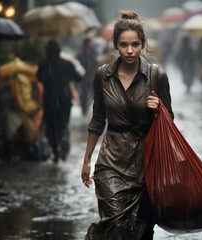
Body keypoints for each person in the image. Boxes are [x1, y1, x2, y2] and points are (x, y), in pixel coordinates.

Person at [81, 11, 174, 239]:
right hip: (111, 161)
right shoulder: (103, 76)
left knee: (141, 230)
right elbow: (97, 120)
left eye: (135, 44)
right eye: (123, 45)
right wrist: (87, 160)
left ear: (143, 44)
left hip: (146, 164)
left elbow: (170, 121)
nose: (130, 50)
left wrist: (159, 108)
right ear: (115, 45)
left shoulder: (156, 76)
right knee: (115, 225)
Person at [36, 40, 81, 162]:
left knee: (51, 128)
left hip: (49, 100)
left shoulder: (43, 64)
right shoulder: (66, 64)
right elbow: (78, 78)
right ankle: (64, 137)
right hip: (64, 100)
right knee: (63, 123)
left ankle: (55, 153)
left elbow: (38, 78)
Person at [77, 38, 98, 116]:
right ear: (86, 44)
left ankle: (90, 107)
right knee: (84, 94)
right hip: (84, 77)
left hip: (92, 76)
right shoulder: (81, 54)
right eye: (90, 43)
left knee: (94, 93)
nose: (91, 44)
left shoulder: (94, 53)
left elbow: (96, 63)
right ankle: (84, 110)